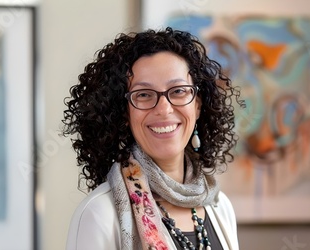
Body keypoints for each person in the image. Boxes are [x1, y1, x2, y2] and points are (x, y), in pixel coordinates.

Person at [62, 27, 243, 250]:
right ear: (124, 113)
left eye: (178, 91)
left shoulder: (219, 206)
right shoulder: (99, 214)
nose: (164, 109)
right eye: (144, 95)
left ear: (197, 105)